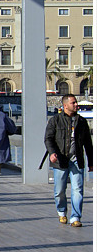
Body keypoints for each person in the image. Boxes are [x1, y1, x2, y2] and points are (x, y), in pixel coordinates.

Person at [44, 94, 93, 227]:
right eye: (73, 103)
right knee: (59, 190)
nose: (76, 104)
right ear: (65, 106)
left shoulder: (82, 122)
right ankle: (62, 212)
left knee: (78, 189)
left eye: (76, 102)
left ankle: (76, 217)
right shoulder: (55, 120)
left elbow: (88, 143)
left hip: (77, 160)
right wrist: (52, 152)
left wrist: (91, 162)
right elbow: (48, 138)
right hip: (60, 160)